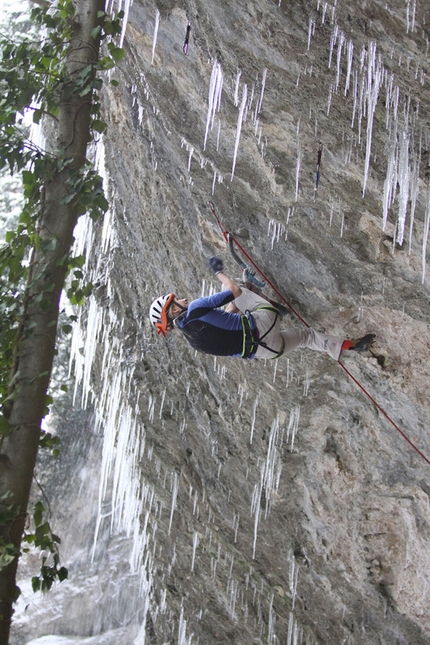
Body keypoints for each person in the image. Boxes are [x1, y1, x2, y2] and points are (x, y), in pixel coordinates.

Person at [149, 257, 375, 361]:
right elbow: (235, 291)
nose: (184, 299)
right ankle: (275, 306)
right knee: (228, 285)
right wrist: (218, 271)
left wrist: (244, 290)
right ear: (174, 311)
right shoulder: (197, 307)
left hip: (266, 351)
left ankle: (351, 346)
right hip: (265, 321)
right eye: (177, 300)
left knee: (306, 337)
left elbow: (228, 319)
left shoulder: (194, 341)